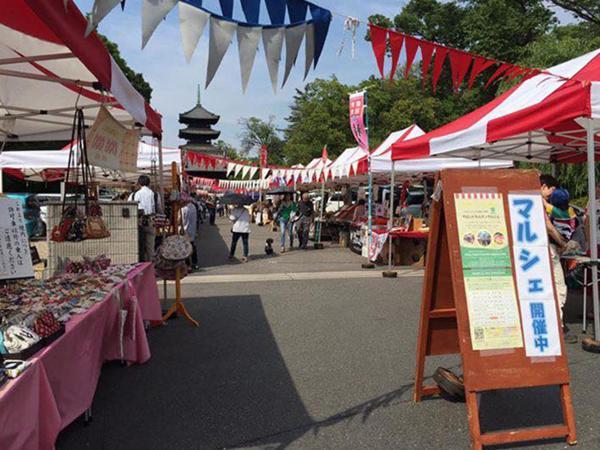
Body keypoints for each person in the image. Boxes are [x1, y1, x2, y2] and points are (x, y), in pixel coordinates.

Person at [540, 174, 576, 343]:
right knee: (558, 287)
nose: (551, 194)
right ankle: (558, 325)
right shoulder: (566, 211)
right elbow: (549, 227)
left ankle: (554, 322)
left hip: (536, 251)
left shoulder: (544, 204)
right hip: (550, 249)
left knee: (548, 286)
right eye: (551, 190)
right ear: (544, 186)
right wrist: (563, 244)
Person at [129, 175, 157, 262]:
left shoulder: (134, 195)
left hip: (138, 222)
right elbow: (159, 208)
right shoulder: (155, 194)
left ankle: (140, 264)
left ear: (139, 183)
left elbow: (129, 207)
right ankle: (150, 265)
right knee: (150, 246)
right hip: (151, 221)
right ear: (149, 183)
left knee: (139, 245)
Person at [181, 195, 199, 270]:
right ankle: (195, 263)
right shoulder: (193, 207)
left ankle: (188, 265)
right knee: (192, 246)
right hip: (192, 229)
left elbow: (181, 220)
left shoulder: (184, 209)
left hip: (185, 230)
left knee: (186, 248)